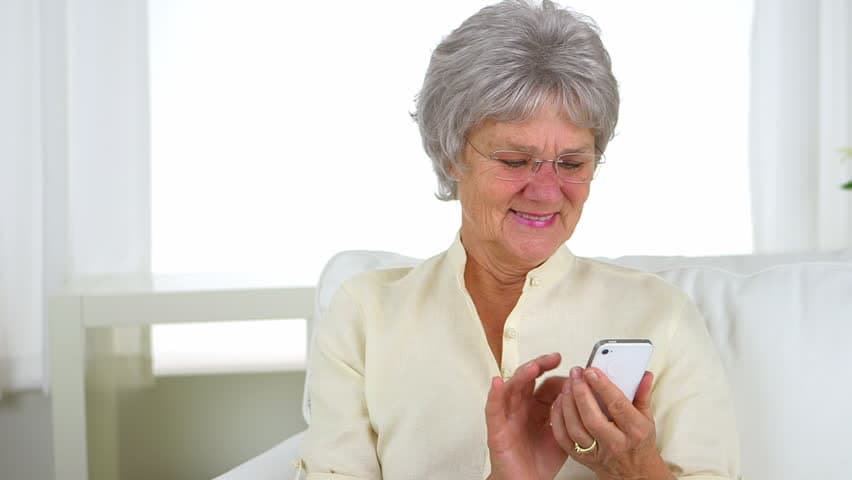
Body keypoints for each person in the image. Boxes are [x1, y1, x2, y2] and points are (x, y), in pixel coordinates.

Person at [301, 1, 741, 479]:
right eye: (514, 161)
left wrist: (637, 468)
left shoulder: (662, 314)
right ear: (451, 155)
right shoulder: (366, 314)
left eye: (572, 163)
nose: (547, 191)